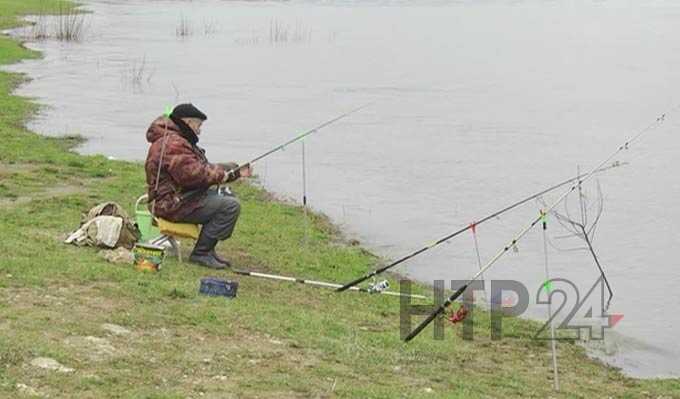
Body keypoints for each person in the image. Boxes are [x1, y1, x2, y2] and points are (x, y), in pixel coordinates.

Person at [144, 103, 252, 269]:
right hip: (170, 204)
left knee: (227, 197)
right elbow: (193, 175)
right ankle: (201, 253)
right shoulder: (173, 144)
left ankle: (208, 250)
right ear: (187, 122)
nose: (200, 130)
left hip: (177, 198)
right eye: (199, 125)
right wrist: (223, 174)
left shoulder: (176, 139)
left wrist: (233, 170)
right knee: (229, 206)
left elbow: (200, 168)